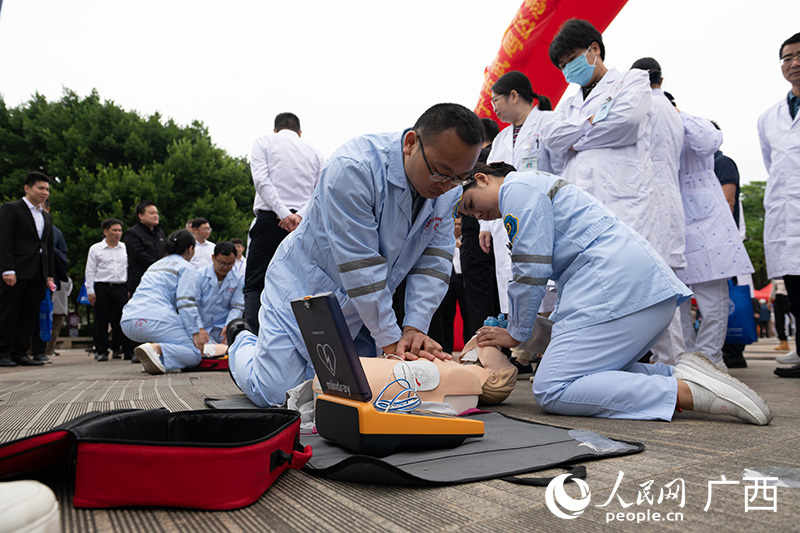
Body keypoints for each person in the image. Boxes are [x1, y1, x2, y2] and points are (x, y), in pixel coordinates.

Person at [460, 162, 771, 425]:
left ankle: (689, 392)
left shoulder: (517, 189)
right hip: (631, 291)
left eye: (471, 205)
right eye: (470, 216)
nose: (478, 216)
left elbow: (530, 269)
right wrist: (530, 331)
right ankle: (679, 374)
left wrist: (516, 331)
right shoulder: (532, 187)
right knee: (588, 373)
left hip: (621, 292)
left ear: (482, 178)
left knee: (553, 387)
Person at [227, 103, 483, 407]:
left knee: (351, 397)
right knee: (277, 395)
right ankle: (241, 341)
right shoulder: (354, 168)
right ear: (411, 143)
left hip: (365, 305)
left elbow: (434, 261)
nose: (446, 186)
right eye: (441, 172)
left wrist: (414, 327)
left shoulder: (448, 189)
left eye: (459, 178)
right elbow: (360, 265)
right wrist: (391, 341)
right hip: (304, 288)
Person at [542, 19, 659, 251]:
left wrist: (574, 140)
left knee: (629, 273)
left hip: (624, 199)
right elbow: (552, 139)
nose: (568, 69)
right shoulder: (567, 106)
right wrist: (592, 122)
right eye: (562, 66)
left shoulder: (631, 80)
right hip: (580, 206)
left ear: (594, 49)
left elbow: (627, 123)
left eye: (572, 59)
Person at [675, 109, 754, 370]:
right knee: (679, 304)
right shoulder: (673, 159)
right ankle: (686, 359)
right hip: (680, 234)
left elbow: (729, 201)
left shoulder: (720, 161)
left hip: (711, 236)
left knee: (713, 303)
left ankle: (710, 359)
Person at [483, 71, 561, 322]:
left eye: (496, 100)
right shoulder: (501, 138)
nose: (493, 108)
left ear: (513, 96)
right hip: (505, 221)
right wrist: (485, 225)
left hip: (542, 217)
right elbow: (489, 181)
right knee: (511, 282)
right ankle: (521, 350)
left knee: (545, 288)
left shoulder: (549, 123)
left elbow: (562, 170)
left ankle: (543, 347)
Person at [243, 112, 327, 331]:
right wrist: (298, 215)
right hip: (304, 224)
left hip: (271, 219)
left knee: (256, 283)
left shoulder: (264, 142)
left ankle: (253, 340)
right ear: (299, 132)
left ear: (275, 129)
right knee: (302, 285)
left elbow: (261, 181)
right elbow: (321, 190)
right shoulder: (315, 152)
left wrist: (283, 214)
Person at [630, 57, 686, 365]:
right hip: (670, 197)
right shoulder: (673, 109)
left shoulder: (645, 106)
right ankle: (671, 358)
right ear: (660, 80)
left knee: (657, 286)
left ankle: (671, 360)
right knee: (667, 285)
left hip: (649, 196)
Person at [758, 33, 800, 378]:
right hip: (787, 215)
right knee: (796, 290)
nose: (794, 63)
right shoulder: (769, 117)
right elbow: (774, 164)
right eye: (787, 57)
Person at [121, 229, 208, 375]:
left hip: (128, 322)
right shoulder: (186, 267)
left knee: (179, 340)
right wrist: (195, 331)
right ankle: (156, 350)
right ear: (190, 249)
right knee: (193, 353)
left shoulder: (155, 265)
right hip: (155, 320)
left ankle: (155, 357)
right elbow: (185, 302)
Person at [0, 171, 56, 367]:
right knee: (8, 312)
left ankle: (19, 352)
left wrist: (49, 274)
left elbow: (48, 248)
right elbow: (4, 240)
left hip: (37, 273)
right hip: (15, 271)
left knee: (29, 314)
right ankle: (2, 352)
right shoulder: (11, 209)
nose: (44, 192)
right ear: (27, 188)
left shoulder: (45, 217)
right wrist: (7, 269)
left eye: (47, 189)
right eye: (40, 188)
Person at [459, 120, 501, 338]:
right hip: (495, 237)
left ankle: (483, 351)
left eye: (471, 206)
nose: (477, 215)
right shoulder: (499, 158)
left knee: (479, 297)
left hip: (477, 239)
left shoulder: (471, 163)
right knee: (496, 292)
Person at [85, 218, 134, 361]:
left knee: (122, 320)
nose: (117, 233)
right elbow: (90, 271)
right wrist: (90, 290)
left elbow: (129, 268)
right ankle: (101, 350)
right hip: (102, 286)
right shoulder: (95, 249)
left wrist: (129, 288)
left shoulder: (125, 248)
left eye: (119, 230)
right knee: (101, 320)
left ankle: (124, 349)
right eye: (114, 230)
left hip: (121, 287)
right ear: (105, 231)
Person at [29, 198, 69, 363]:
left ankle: (40, 351)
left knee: (44, 315)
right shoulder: (24, 226)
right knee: (22, 314)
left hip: (46, 277)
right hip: (24, 275)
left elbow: (62, 256)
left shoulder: (55, 231)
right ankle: (18, 350)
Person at [197, 241, 244, 344]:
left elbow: (237, 306)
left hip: (222, 329)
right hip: (201, 328)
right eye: (222, 263)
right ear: (213, 258)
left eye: (230, 264)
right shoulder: (199, 276)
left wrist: (229, 326)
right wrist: (199, 328)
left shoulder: (238, 278)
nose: (225, 267)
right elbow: (192, 305)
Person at [125, 201, 166, 295]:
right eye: (151, 213)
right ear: (141, 216)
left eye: (156, 213)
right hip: (141, 281)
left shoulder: (160, 233)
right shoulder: (132, 233)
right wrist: (159, 265)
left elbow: (165, 252)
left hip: (160, 280)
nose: (156, 216)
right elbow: (138, 255)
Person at [771, 279, 794, 356]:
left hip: (788, 297)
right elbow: (773, 288)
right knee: (779, 321)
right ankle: (783, 342)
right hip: (778, 298)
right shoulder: (775, 276)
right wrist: (770, 298)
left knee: (795, 318)